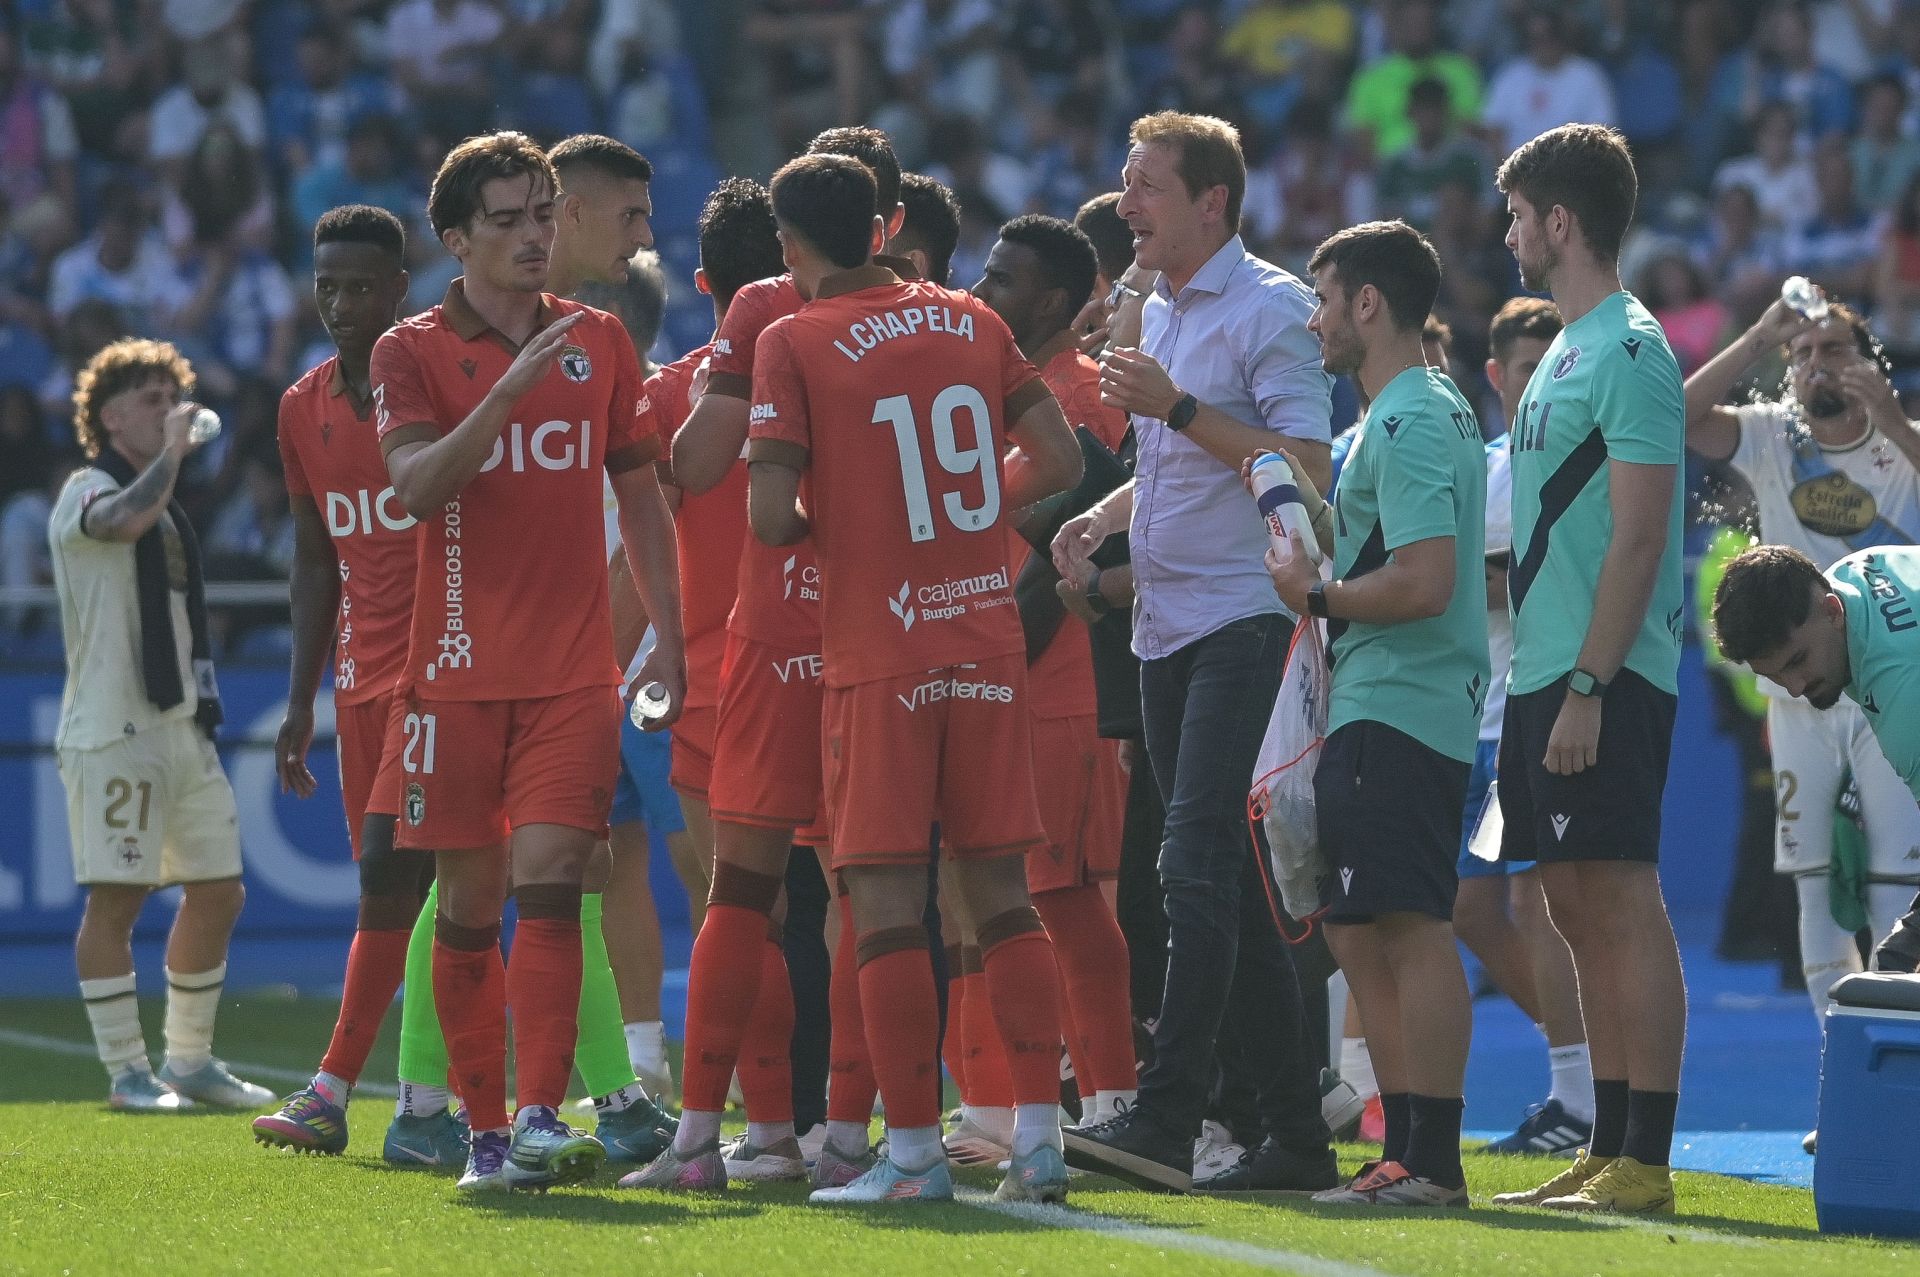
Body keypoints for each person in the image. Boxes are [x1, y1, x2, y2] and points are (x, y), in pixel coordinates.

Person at [747, 151, 1084, 1205]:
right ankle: (1038, 1140)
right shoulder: (968, 321)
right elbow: (1063, 460)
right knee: (1003, 895)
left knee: (886, 905)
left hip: (879, 651)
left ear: (793, 248)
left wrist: (853, 521)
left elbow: (765, 517)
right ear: (884, 229)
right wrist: (973, 512)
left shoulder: (790, 337)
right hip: (983, 639)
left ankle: (911, 1156)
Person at [371, 131, 686, 1193]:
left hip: (568, 675)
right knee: (467, 900)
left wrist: (669, 641)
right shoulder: (408, 351)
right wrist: (503, 396)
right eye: (505, 219)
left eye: (541, 215)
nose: (530, 236)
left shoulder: (600, 340)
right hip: (452, 671)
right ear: (455, 237)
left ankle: (543, 1115)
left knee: (556, 881)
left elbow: (643, 496)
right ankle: (485, 1128)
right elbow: (415, 489)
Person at [1051, 110, 1338, 1195]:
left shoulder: (1269, 307)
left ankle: (1169, 1116)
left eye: (1146, 187)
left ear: (1212, 200)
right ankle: (1295, 1131)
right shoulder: (1161, 307)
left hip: (1243, 617)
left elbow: (1306, 463)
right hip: (1166, 622)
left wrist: (1174, 403)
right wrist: (1107, 515)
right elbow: (1181, 453)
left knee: (1191, 862)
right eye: (1126, 185)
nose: (1126, 206)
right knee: (1225, 874)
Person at [648, 126, 914, 1194]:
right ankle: (857, 1138)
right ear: (888, 224)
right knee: (872, 898)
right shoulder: (945, 314)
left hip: (772, 646)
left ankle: (721, 1139)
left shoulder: (762, 308)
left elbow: (695, 467)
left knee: (741, 892)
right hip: (888, 635)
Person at [1260, 220, 1487, 1207]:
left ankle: (1432, 1157)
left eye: (1323, 298)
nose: (1312, 321)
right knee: (1358, 928)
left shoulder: (1415, 418)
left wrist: (1315, 594)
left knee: (1409, 923)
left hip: (1407, 701)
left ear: (1367, 303)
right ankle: (1406, 1150)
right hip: (1367, 699)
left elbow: (1428, 580)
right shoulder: (1394, 417)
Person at [1488, 124, 1688, 1216]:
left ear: (1560, 222)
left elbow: (1642, 538)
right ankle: (1607, 1143)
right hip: (1542, 675)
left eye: (1519, 214)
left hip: (1597, 677)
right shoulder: (1568, 344)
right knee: (1570, 902)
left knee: (1618, 899)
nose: (1510, 233)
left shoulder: (1632, 348)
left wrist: (1589, 685)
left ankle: (1647, 1158)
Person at [249, 206, 461, 1160]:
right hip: (357, 684)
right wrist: (298, 700)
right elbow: (313, 558)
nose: (341, 303)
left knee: (389, 871)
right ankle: (424, 1106)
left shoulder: (441, 386)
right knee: (412, 892)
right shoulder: (302, 407)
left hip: (442, 673)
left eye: (362, 285)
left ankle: (331, 1090)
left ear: (399, 287)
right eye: (327, 285)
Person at [1683, 295, 1920, 1023]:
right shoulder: (1770, 436)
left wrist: (1895, 423)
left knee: (1894, 880)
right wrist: (1757, 336)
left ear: (1869, 361)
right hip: (1801, 698)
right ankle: (1843, 1075)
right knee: (1815, 885)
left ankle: (1896, 1066)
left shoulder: (1901, 439)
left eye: (1836, 350)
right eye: (1802, 354)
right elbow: (1671, 420)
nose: (1817, 363)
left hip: (1892, 679)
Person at [51, 337, 273, 1113]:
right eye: (151, 399)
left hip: (179, 723)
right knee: (117, 898)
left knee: (219, 889)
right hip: (114, 727)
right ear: (111, 414)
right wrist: (174, 451)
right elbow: (118, 523)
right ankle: (125, 1071)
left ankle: (189, 1060)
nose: (168, 411)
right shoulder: (86, 486)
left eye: (170, 398)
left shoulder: (169, 503)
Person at [969, 212, 1138, 1143]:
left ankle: (1114, 1096)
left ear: (1059, 302)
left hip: (1064, 680)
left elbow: (1061, 567)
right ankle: (1050, 1096)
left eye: (1005, 277)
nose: (985, 290)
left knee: (1068, 897)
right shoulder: (1015, 393)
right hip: (1019, 677)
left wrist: (992, 650)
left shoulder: (1078, 398)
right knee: (1031, 896)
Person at [1469, 297, 1596, 1157]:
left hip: (1524, 703)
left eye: (1552, 364)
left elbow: (1507, 582)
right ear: (1496, 376)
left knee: (1530, 898)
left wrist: (1422, 575)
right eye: (1525, 367)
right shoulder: (1486, 464)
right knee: (1471, 908)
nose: (1539, 379)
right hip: (1478, 711)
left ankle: (1579, 1091)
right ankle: (1591, 1068)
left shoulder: (1552, 468)